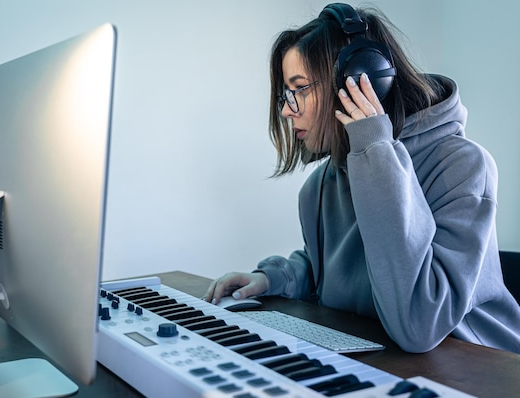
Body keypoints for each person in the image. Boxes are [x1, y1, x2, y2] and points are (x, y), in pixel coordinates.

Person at [203, 3, 520, 354]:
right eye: (285, 94)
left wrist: (375, 150)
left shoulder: (462, 167)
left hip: (483, 370)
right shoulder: (319, 188)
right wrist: (274, 278)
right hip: (381, 361)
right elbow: (340, 270)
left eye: (300, 88)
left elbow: (419, 323)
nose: (286, 109)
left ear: (359, 78)